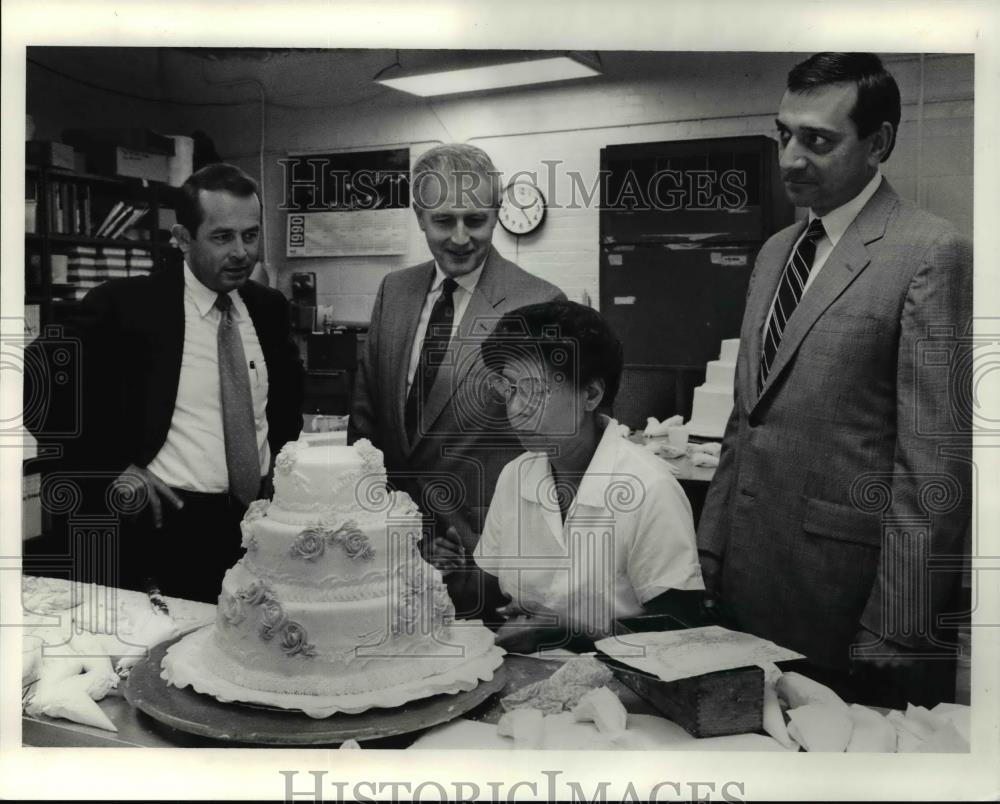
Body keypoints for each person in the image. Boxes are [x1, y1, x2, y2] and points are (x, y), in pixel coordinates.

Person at [696, 53, 972, 707]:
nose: (790, 158)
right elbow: (747, 417)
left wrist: (895, 633)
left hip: (852, 606)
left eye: (817, 140)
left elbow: (935, 465)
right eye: (783, 134)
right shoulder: (774, 253)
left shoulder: (931, 252)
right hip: (750, 587)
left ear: (879, 143)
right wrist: (709, 557)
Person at [29, 163, 304, 602]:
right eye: (222, 237)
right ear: (181, 238)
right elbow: (34, 380)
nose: (240, 252)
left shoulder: (267, 309)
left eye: (250, 236)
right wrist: (109, 465)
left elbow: (286, 404)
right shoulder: (126, 305)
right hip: (168, 523)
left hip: (255, 523)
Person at [432, 301, 705, 652]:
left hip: (624, 690)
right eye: (510, 390)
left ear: (591, 394)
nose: (516, 409)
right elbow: (490, 600)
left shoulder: (649, 488)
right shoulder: (516, 475)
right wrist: (455, 576)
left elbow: (680, 638)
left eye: (535, 390)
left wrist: (572, 631)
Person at [347, 143, 565, 571]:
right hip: (392, 548)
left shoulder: (540, 304)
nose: (461, 238)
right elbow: (366, 422)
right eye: (444, 220)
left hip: (486, 555)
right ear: (419, 217)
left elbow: (555, 450)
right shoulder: (395, 292)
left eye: (476, 220)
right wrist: (381, 524)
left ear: (497, 212)